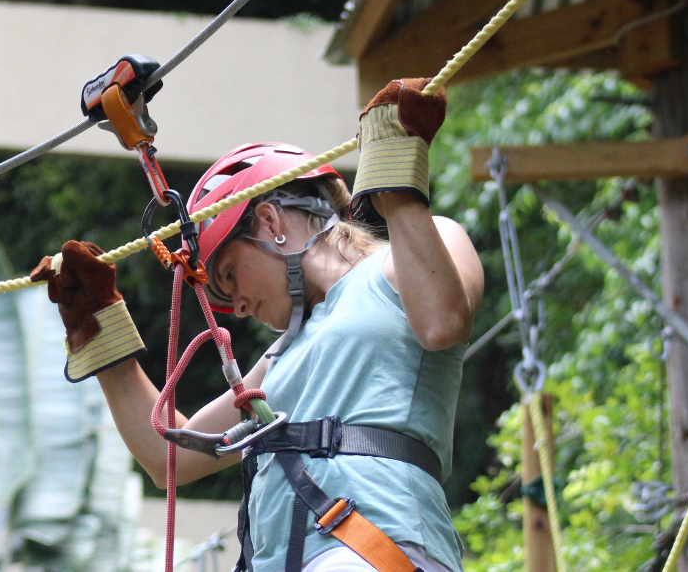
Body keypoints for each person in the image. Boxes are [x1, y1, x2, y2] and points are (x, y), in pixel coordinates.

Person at [31, 79, 484, 572]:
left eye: (230, 277)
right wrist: (98, 328)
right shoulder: (281, 357)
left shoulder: (405, 260)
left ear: (269, 222)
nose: (240, 308)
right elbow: (171, 457)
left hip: (376, 550)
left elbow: (442, 321)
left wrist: (394, 180)